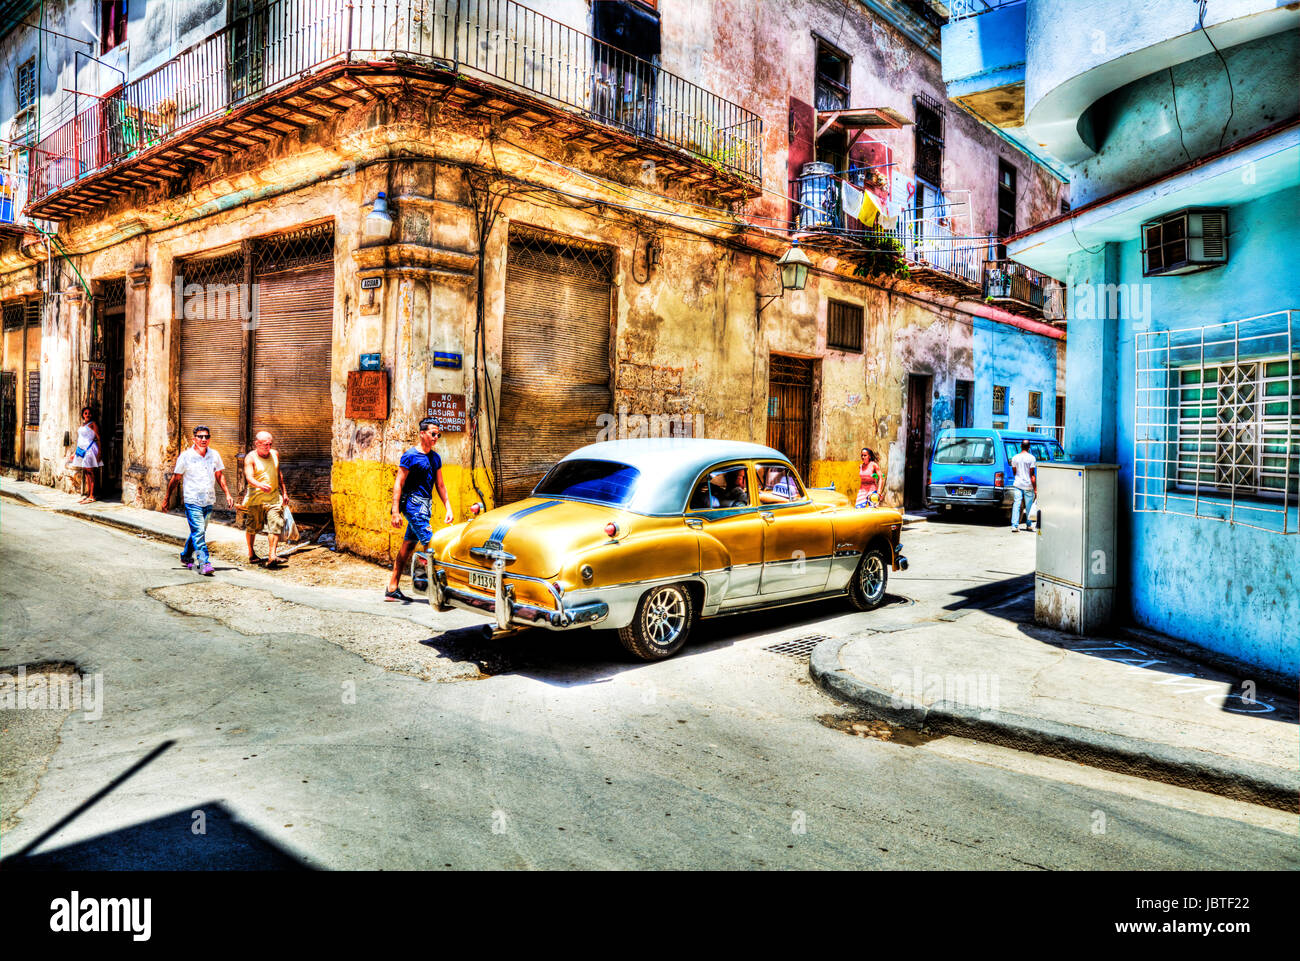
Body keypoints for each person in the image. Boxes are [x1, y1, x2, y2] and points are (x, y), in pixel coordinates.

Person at [386, 417, 453, 601]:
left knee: (407, 548)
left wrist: (448, 507)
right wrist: (395, 511)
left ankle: (392, 588)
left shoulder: (435, 458)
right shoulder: (410, 456)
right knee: (431, 544)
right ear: (422, 433)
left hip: (425, 506)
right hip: (412, 505)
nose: (436, 437)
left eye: (438, 434)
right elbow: (398, 483)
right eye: (433, 433)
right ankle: (437, 589)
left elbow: (440, 485)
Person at [162, 425, 233, 576]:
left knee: (198, 531)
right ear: (194, 439)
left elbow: (219, 475)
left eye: (206, 437)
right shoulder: (186, 457)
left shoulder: (214, 455)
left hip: (208, 499)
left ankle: (186, 556)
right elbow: (176, 478)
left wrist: (227, 493)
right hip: (192, 499)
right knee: (199, 531)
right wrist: (167, 497)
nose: (203, 439)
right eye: (200, 437)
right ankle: (204, 563)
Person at [243, 430, 289, 568]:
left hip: (274, 497)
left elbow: (278, 473)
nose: (267, 447)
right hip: (256, 498)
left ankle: (272, 556)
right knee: (253, 527)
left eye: (270, 444)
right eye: (264, 444)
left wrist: (284, 492)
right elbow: (249, 476)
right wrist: (259, 485)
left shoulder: (274, 454)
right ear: (257, 444)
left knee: (275, 525)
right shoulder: (250, 458)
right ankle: (251, 553)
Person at [66, 406, 101, 504]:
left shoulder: (93, 424)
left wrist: (99, 453)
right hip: (81, 450)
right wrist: (74, 453)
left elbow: (98, 439)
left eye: (89, 413)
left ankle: (92, 495)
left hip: (90, 450)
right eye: (85, 413)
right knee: (86, 472)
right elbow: (80, 440)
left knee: (91, 472)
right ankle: (88, 494)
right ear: (83, 415)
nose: (87, 415)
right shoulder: (83, 425)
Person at [1010, 439, 1037, 532]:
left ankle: (1014, 525)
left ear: (1021, 446)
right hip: (1028, 485)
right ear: (1029, 447)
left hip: (1018, 484)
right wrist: (1036, 489)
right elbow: (1032, 475)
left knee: (1017, 504)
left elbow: (1014, 472)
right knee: (1029, 505)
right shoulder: (1032, 458)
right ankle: (1029, 525)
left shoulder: (1015, 457)